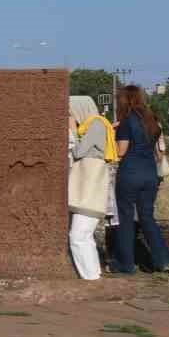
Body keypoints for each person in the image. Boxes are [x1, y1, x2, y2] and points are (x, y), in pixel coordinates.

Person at [112, 84, 169, 274]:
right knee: (147, 217)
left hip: (130, 173)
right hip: (150, 174)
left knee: (126, 218)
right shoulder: (152, 120)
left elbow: (121, 151)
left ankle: (126, 264)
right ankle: (163, 261)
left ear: (124, 100)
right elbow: (159, 152)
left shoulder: (126, 122)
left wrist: (113, 134)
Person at [68, 95, 116, 280]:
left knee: (78, 236)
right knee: (84, 236)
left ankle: (90, 278)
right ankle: (93, 275)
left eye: (70, 112)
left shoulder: (96, 124)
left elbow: (80, 152)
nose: (70, 116)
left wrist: (72, 130)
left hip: (91, 188)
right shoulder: (92, 125)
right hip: (89, 188)